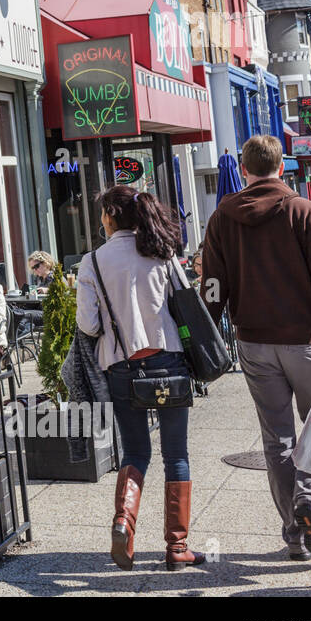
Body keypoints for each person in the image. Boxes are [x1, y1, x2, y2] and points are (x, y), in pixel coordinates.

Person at [201, 135, 311, 562]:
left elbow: (213, 286)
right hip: (307, 341)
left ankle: (295, 535)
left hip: (253, 342)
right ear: (282, 168)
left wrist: (207, 336)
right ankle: (310, 500)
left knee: (278, 440)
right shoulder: (307, 214)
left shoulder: (222, 219)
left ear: (246, 170)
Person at [76, 185, 204, 571]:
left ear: (111, 216)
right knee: (176, 455)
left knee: (135, 453)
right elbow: (185, 304)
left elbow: (89, 324)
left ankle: (123, 523)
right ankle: (177, 547)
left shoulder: (92, 262)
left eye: (102, 213)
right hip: (168, 361)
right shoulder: (162, 253)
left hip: (122, 367)